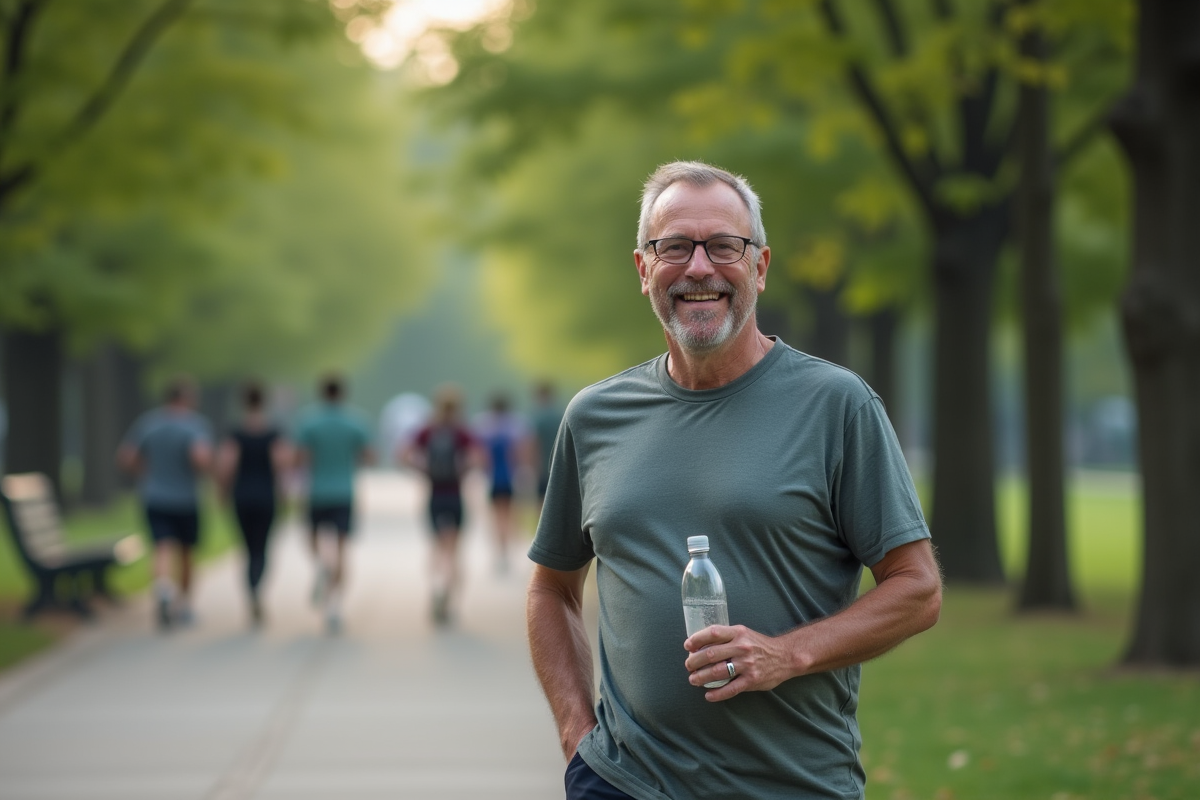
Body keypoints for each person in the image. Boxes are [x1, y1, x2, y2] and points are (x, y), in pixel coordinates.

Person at [527, 161, 943, 800]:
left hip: (792, 785)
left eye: (724, 246)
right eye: (674, 247)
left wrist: (788, 654)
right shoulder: (594, 417)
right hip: (622, 784)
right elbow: (551, 589)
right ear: (643, 269)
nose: (699, 268)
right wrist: (575, 733)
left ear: (760, 267)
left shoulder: (836, 405)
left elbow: (917, 589)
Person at [117, 376, 213, 631]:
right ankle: (184, 606)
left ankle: (162, 589)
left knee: (161, 547)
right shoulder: (194, 426)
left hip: (154, 495)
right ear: (187, 399)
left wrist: (147, 472)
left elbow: (127, 457)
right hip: (185, 499)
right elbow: (200, 458)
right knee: (187, 553)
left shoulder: (149, 423)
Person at [294, 374, 373, 633]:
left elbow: (300, 458)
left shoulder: (309, 422)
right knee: (342, 550)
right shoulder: (355, 422)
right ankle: (335, 605)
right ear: (343, 393)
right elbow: (369, 456)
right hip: (344, 493)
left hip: (316, 492)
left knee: (312, 540)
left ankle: (320, 566)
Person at [215, 381, 290, 626]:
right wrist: (283, 490)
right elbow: (281, 464)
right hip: (266, 496)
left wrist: (222, 492)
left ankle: (250, 591)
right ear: (264, 401)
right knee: (263, 547)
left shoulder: (236, 432)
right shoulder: (273, 432)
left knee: (246, 548)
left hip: (242, 496)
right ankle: (257, 588)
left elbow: (227, 465)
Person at [402, 385, 479, 625]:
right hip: (455, 496)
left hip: (435, 495)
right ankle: (451, 600)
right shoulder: (462, 432)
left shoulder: (427, 431)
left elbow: (404, 454)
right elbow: (478, 458)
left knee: (437, 547)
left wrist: (423, 470)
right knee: (454, 550)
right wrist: (463, 471)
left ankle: (436, 586)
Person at [473, 391, 531, 573]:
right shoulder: (515, 426)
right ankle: (505, 554)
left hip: (492, 479)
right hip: (509, 477)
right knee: (508, 516)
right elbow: (521, 452)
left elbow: (480, 455)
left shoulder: (484, 426)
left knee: (495, 517)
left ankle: (498, 554)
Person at [530, 380, 564, 514]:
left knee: (541, 502)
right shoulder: (561, 415)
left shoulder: (537, 418)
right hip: (560, 466)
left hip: (543, 467)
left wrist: (533, 467)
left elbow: (534, 445)